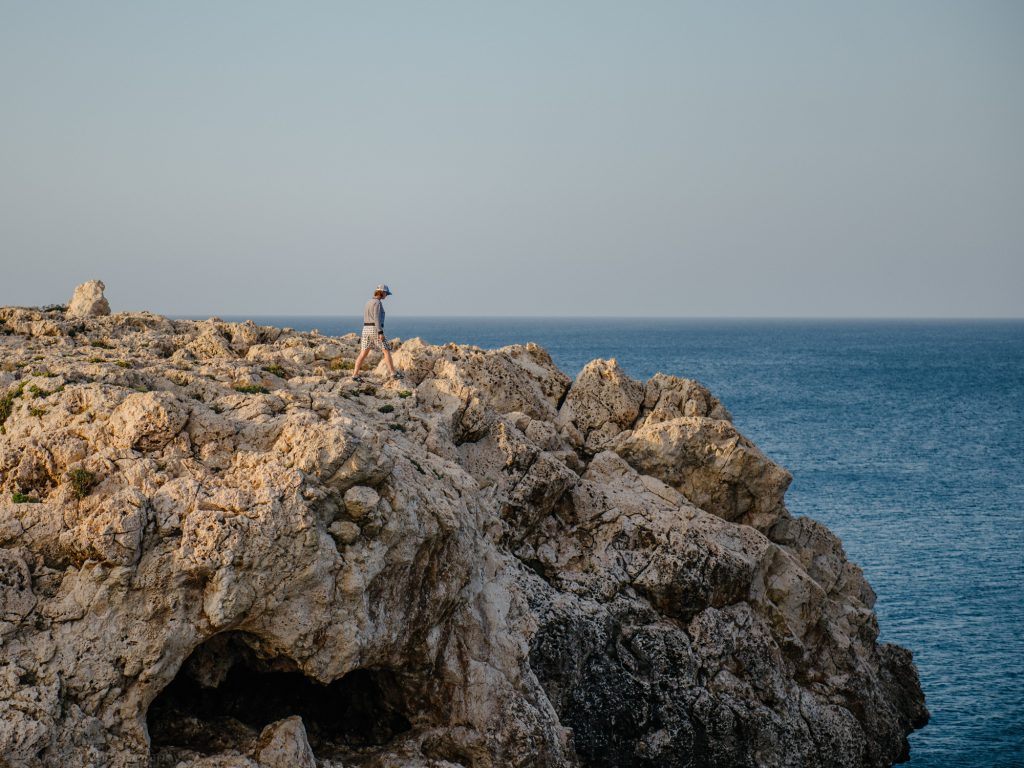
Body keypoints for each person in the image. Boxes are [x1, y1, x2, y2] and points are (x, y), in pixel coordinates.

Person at [352, 284, 403, 381]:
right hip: (375, 329)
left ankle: (355, 375)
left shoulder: (368, 302)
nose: (386, 296)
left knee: (363, 353)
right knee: (386, 350)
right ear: (382, 292)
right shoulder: (377, 303)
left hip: (365, 329)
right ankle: (393, 373)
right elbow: (376, 318)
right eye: (386, 293)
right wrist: (380, 332)